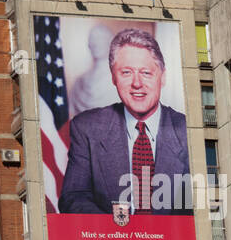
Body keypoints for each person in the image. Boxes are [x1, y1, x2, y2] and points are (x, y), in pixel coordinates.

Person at [59, 27, 191, 216]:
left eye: (146, 73)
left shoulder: (188, 131)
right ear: (113, 77)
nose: (137, 83)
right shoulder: (87, 128)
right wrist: (119, 231)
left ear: (163, 77)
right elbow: (73, 199)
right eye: (126, 72)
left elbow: (199, 207)